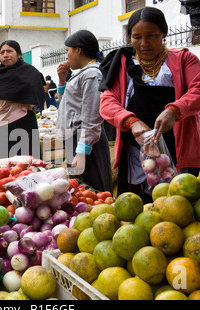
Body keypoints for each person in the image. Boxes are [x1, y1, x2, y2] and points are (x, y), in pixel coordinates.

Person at [99, 6, 200, 202]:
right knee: (137, 209)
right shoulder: (123, 65)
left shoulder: (184, 60)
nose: (143, 43)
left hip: (178, 150)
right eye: (136, 37)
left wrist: (174, 110)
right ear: (129, 37)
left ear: (164, 34)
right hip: (136, 152)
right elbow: (107, 102)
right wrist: (131, 121)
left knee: (179, 208)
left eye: (151, 35)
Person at [55, 30, 112, 192]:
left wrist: (82, 151)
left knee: (93, 191)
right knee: (79, 191)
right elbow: (68, 104)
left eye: (68, 51)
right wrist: (61, 80)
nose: (66, 56)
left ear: (78, 50)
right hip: (77, 140)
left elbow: (92, 116)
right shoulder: (82, 74)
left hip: (86, 142)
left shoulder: (92, 75)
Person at [0, 40, 46, 159]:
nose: (5, 55)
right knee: (2, 165)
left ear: (19, 54)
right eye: (2, 52)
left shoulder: (30, 72)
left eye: (9, 51)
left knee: (26, 163)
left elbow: (38, 91)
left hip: (23, 122)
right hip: (1, 124)